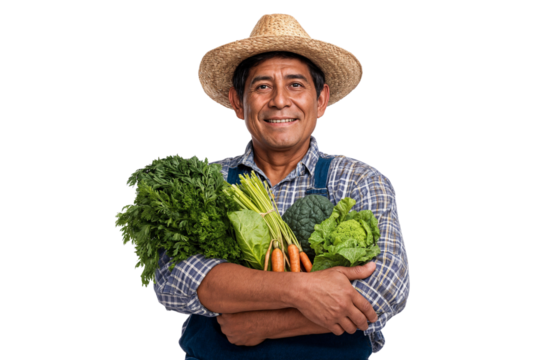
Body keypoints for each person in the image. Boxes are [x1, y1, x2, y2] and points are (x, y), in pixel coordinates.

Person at [153, 12, 409, 360]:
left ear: (320, 101)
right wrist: (301, 289)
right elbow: (175, 282)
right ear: (236, 102)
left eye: (295, 84)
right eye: (261, 86)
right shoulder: (205, 182)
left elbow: (388, 288)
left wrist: (268, 324)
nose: (279, 100)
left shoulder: (358, 178)